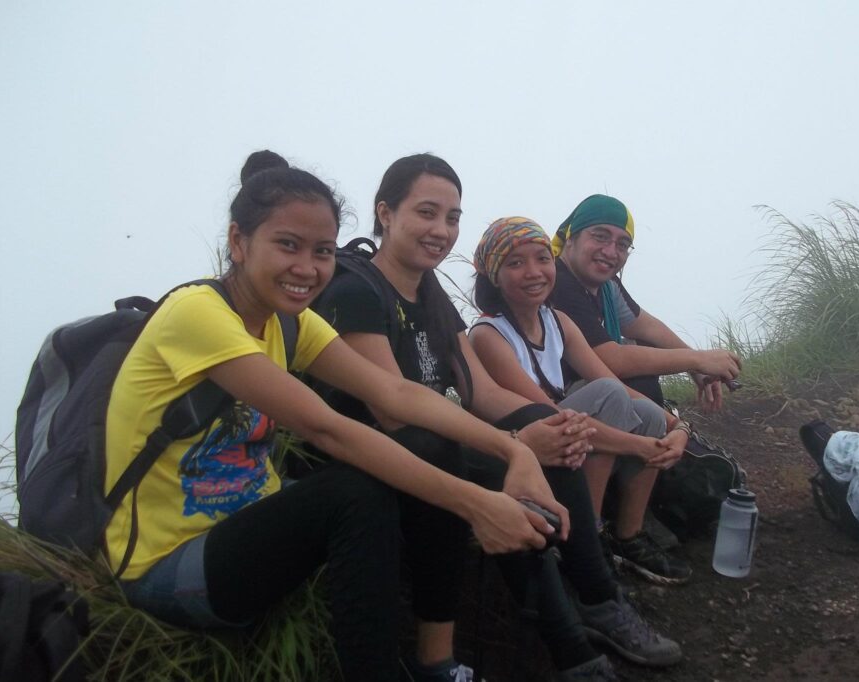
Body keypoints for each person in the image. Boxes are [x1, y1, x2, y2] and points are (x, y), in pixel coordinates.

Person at [104, 150, 568, 682]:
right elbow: (329, 429)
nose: (308, 268)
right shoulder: (196, 313)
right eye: (288, 245)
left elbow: (396, 393)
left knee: (385, 476)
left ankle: (434, 666)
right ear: (238, 242)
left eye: (322, 251)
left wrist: (512, 450)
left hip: (249, 533)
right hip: (166, 567)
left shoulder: (291, 324)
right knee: (356, 490)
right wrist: (479, 504)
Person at [314, 154, 684, 680]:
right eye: (427, 212)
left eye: (452, 217)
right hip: (390, 455)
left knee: (549, 427)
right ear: (386, 213)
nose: (441, 230)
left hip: (445, 438)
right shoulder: (359, 292)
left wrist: (546, 427)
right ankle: (571, 646)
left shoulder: (432, 292)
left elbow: (482, 393)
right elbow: (392, 411)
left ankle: (598, 600)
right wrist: (512, 445)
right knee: (509, 466)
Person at [469, 216, 693, 585]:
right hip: (525, 445)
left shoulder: (556, 320)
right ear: (494, 274)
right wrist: (641, 446)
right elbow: (549, 415)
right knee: (608, 397)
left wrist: (674, 426)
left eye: (542, 258)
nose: (534, 272)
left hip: (567, 434)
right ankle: (586, 539)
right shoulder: (488, 335)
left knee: (646, 412)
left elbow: (608, 376)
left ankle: (628, 536)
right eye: (515, 262)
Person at [549, 194, 742, 410]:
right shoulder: (558, 281)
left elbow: (647, 327)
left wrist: (698, 370)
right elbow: (611, 360)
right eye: (600, 237)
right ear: (570, 239)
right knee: (638, 382)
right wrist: (697, 359)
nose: (611, 252)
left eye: (623, 244)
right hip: (549, 400)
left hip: (581, 390)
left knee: (647, 351)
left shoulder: (606, 286)